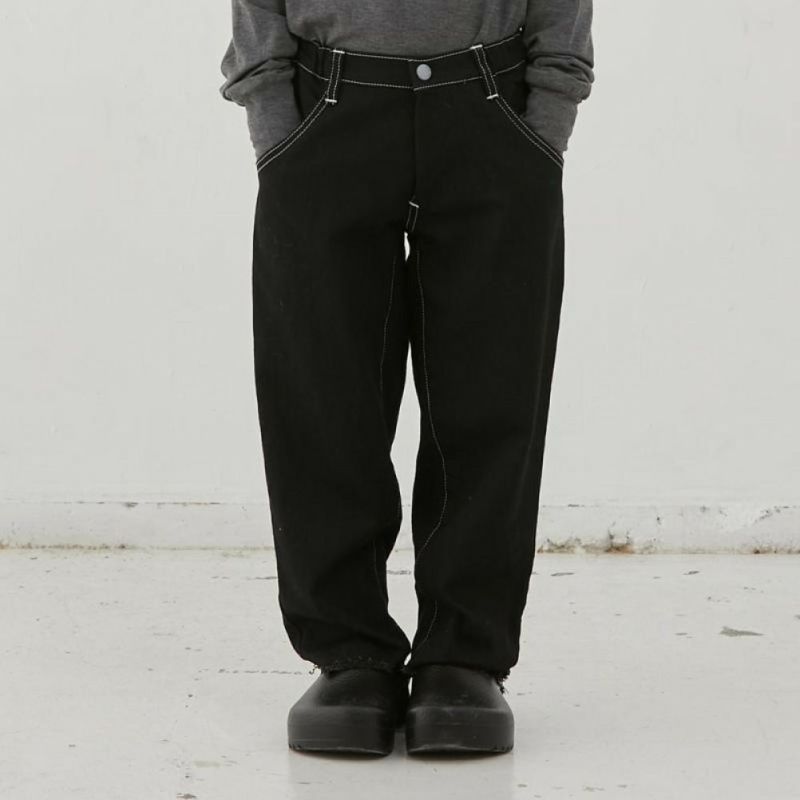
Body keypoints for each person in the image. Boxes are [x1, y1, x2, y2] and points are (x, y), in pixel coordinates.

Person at [218, 0, 594, 757]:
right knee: (323, 394)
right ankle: (348, 654)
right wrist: (272, 117)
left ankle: (465, 656)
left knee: (491, 392)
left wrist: (547, 114)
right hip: (325, 111)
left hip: (493, 108)